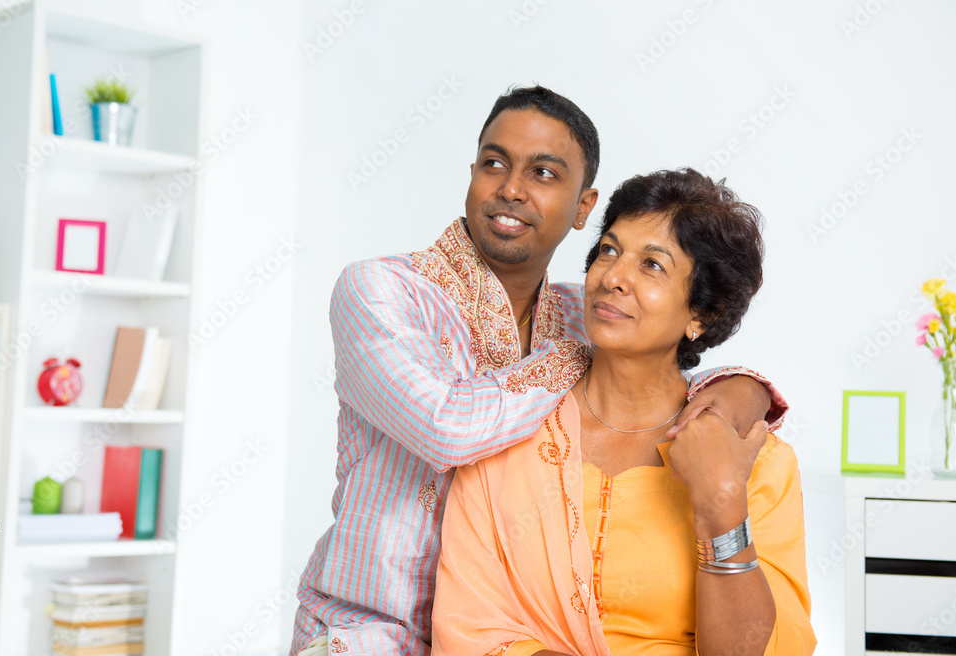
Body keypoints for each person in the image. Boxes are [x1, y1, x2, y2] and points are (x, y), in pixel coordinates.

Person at [291, 88, 789, 656]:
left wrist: (739, 390)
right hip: (371, 632)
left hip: (517, 634)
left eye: (544, 172)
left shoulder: (589, 308)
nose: (511, 188)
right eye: (494, 163)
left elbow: (662, 357)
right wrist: (578, 353)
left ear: (583, 207)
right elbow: (446, 427)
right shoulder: (382, 290)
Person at [432, 169, 815, 656]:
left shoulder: (756, 460)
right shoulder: (509, 426)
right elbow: (469, 630)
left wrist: (721, 503)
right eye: (609, 251)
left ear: (704, 313)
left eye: (653, 265)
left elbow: (772, 649)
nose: (612, 277)